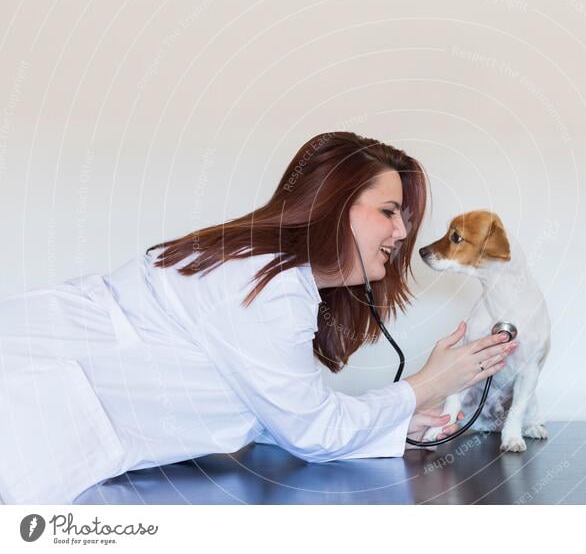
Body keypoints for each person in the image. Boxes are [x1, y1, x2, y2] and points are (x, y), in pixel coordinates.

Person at [0, 132, 515, 505]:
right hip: (26, 395)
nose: (403, 232)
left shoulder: (258, 265)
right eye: (389, 211)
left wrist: (387, 420)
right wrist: (426, 385)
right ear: (333, 207)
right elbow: (312, 432)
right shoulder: (266, 286)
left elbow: (275, 406)